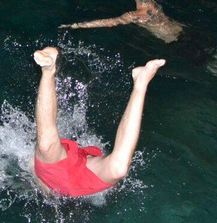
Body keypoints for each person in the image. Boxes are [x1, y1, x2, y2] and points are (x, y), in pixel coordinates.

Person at [32, 46, 165, 197]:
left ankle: (48, 70)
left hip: (52, 177)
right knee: (119, 169)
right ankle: (141, 81)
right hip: (83, 181)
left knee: (46, 147)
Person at [60, 0, 183, 43]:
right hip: (179, 29)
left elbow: (108, 22)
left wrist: (77, 25)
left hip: (172, 42)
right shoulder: (153, 4)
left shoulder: (135, 16)